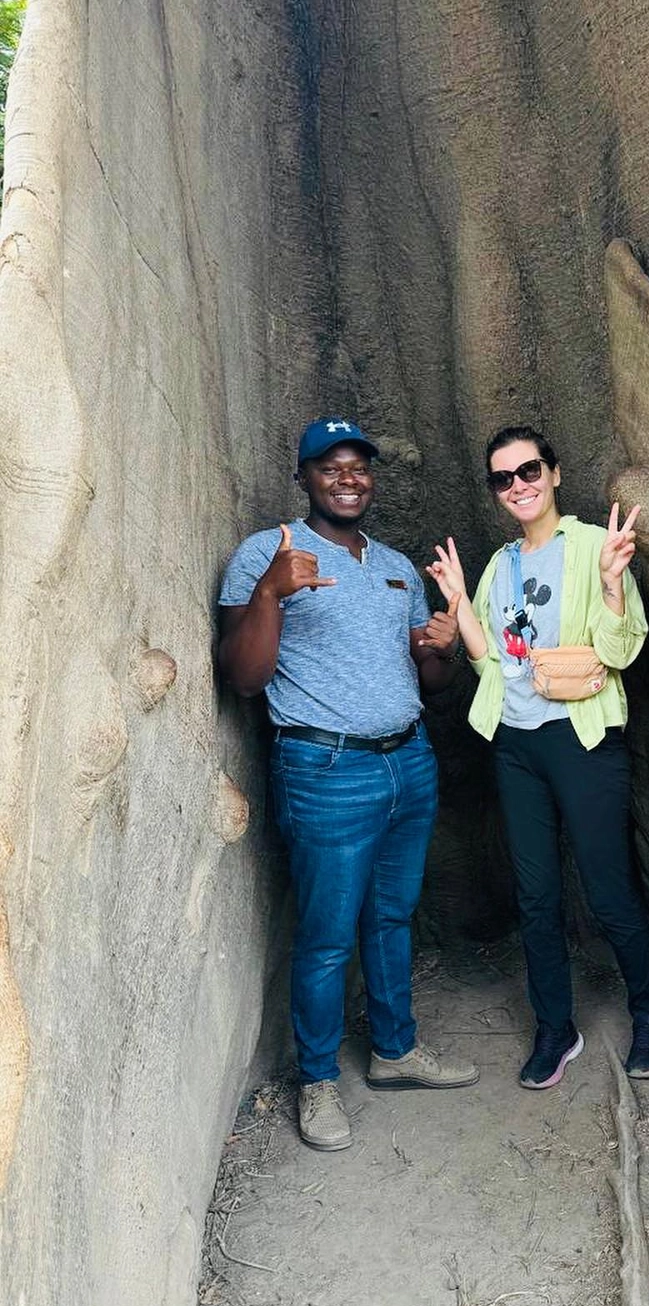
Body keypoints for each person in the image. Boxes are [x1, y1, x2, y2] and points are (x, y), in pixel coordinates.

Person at [217, 416, 478, 1153]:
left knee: (393, 917)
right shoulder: (268, 554)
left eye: (359, 466)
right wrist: (270, 594)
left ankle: (395, 1050)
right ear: (302, 477)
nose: (348, 478)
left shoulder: (394, 565)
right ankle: (319, 1079)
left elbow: (427, 684)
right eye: (330, 466)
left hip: (408, 763)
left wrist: (439, 649)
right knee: (328, 937)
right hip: (327, 771)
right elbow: (242, 677)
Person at [427, 425, 649, 1089]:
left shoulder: (596, 546)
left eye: (529, 470)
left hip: (583, 740)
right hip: (517, 746)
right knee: (534, 897)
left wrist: (615, 585)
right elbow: (486, 666)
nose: (519, 486)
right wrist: (459, 602)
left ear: (554, 473)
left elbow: (620, 654)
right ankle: (554, 1028)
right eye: (503, 478)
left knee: (608, 888)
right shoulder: (500, 567)